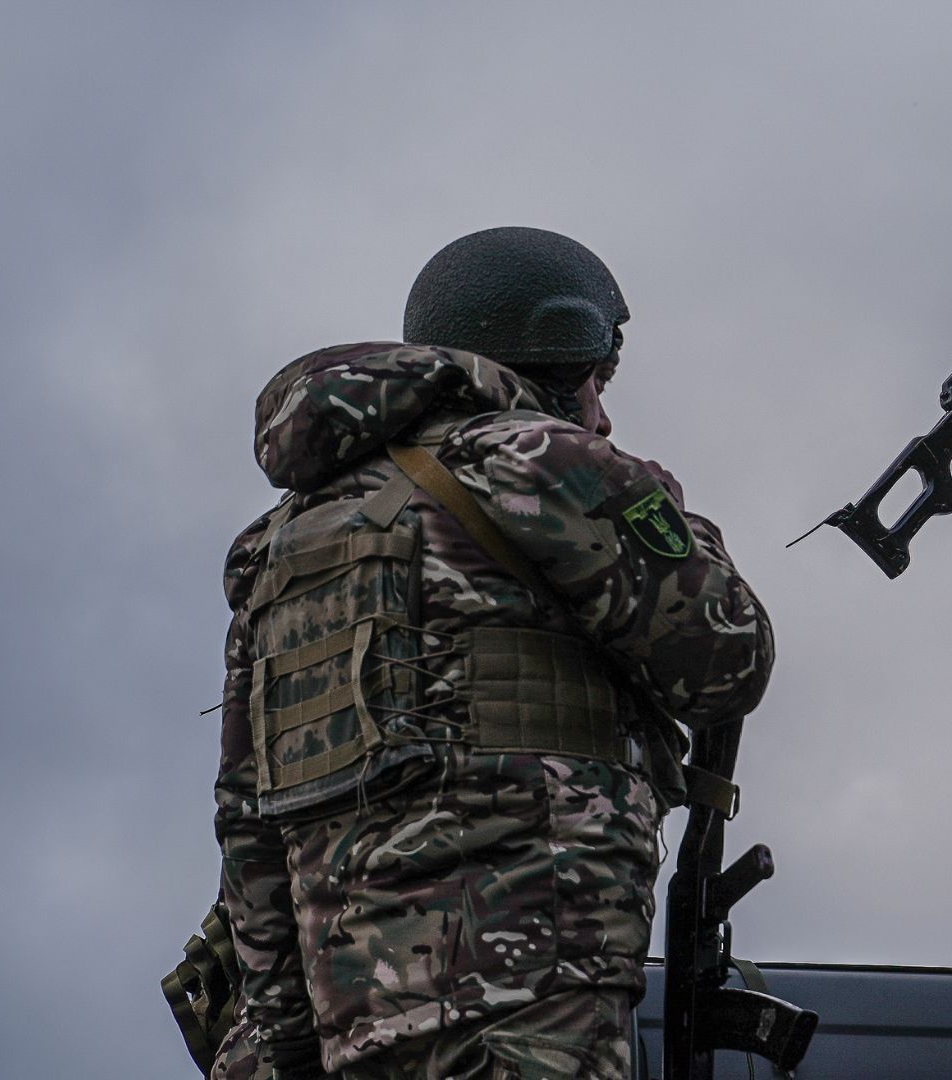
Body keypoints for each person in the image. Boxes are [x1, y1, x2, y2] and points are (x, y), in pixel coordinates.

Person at [214, 226, 773, 1079]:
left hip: (347, 1027)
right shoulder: (539, 459)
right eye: (598, 379)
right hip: (529, 1002)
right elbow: (730, 660)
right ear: (554, 350)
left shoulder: (280, 545)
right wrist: (663, 508)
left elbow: (250, 822)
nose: (606, 412)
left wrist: (289, 1043)